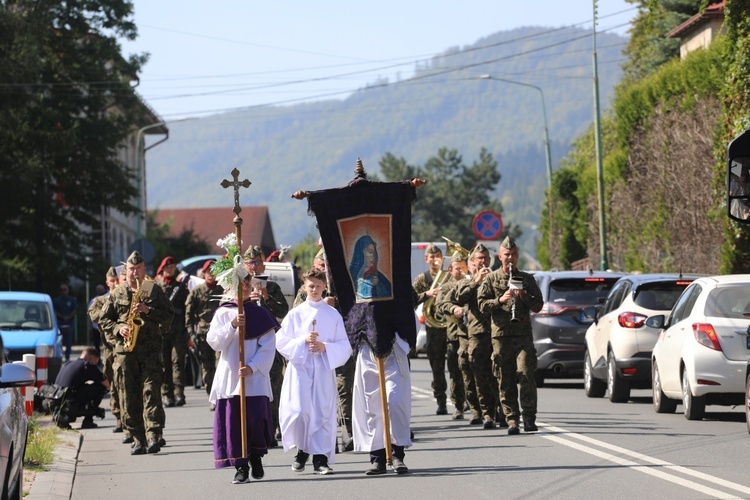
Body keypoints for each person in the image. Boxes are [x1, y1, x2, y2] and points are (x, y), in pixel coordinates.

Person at [277, 268, 352, 475]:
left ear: (324, 287)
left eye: (319, 286)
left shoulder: (332, 314)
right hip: (300, 368)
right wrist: (302, 341)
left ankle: (320, 459)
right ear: (304, 286)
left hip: (321, 367)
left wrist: (325, 347)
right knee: (300, 411)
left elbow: (344, 346)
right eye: (311, 285)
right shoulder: (295, 314)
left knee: (321, 413)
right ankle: (302, 450)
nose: (315, 289)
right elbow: (281, 341)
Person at [99, 251, 174, 455]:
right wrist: (118, 329)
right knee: (129, 395)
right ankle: (138, 438)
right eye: (131, 270)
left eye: (138, 269)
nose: (134, 273)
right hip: (125, 352)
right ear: (126, 271)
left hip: (150, 351)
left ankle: (153, 436)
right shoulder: (117, 294)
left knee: (151, 393)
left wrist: (148, 311)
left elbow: (169, 316)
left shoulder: (154, 290)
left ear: (144, 270)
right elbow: (104, 320)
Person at [208, 272, 279, 484]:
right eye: (240, 284)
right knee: (234, 424)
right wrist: (231, 326)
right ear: (231, 287)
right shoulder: (223, 313)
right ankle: (240, 466)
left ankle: (256, 457)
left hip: (254, 378)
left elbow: (268, 346)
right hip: (230, 377)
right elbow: (214, 342)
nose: (245, 287)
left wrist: (253, 366)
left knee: (256, 420)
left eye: (247, 284)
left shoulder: (260, 313)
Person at [477, 237, 543, 435]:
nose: (511, 258)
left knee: (525, 374)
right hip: (501, 336)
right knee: (504, 378)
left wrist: (523, 296)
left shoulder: (527, 278)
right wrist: (500, 299)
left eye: (514, 255)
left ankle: (529, 418)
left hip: (522, 335)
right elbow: (481, 305)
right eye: (507, 255)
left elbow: (538, 305)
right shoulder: (491, 279)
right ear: (500, 257)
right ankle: (512, 419)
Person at [444, 243, 502, 429]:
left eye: (486, 258)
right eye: (479, 259)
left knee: (499, 373)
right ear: (471, 264)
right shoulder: (464, 283)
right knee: (478, 375)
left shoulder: (496, 278)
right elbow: (459, 298)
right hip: (475, 333)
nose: (483, 262)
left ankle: (501, 410)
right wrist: (476, 281)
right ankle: (484, 413)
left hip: (497, 331)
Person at [352, 320, 413, 475]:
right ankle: (378, 457)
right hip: (368, 348)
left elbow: (407, 307)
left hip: (393, 347)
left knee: (395, 401)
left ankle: (396, 454)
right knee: (373, 405)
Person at [243, 245, 289, 446]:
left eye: (258, 262)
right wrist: (247, 300)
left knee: (273, 385)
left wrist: (266, 297)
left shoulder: (272, 287)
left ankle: (271, 429)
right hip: (248, 344)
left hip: (270, 343)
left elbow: (283, 311)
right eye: (251, 263)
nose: (254, 267)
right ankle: (252, 430)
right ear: (245, 265)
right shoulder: (241, 286)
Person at [435, 256, 475, 421]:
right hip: (454, 335)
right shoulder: (446, 287)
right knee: (456, 372)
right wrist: (454, 308)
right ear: (450, 270)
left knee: (472, 371)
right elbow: (439, 306)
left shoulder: (471, 283)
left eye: (463, 268)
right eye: (457, 268)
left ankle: (474, 405)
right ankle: (458, 405)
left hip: (471, 334)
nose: (461, 271)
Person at [412, 244, 449, 415]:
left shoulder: (449, 275)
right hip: (434, 328)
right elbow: (411, 299)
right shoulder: (422, 279)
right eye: (431, 256)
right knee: (437, 366)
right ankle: (441, 400)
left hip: (452, 326)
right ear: (426, 259)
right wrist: (427, 294)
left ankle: (460, 400)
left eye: (438, 256)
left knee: (459, 365)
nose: (435, 259)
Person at [88, 267, 123, 432]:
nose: (115, 283)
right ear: (107, 282)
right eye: (112, 281)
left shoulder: (126, 297)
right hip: (110, 348)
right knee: (113, 381)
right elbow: (94, 316)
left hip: (126, 347)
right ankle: (118, 416)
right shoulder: (102, 300)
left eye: (118, 280)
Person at [185, 259, 223, 408]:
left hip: (220, 334)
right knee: (207, 368)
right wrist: (191, 335)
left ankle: (219, 397)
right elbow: (189, 315)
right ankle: (211, 396)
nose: (211, 274)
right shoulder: (197, 291)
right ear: (204, 273)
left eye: (214, 271)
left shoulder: (222, 290)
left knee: (219, 365)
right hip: (203, 335)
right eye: (208, 271)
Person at [155, 256, 190, 408]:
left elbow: (187, 308)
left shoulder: (181, 287)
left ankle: (179, 393)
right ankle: (166, 394)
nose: (170, 270)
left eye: (172, 267)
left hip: (178, 331)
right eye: (167, 267)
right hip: (162, 331)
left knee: (178, 362)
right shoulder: (156, 287)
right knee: (164, 364)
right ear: (162, 269)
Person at [53, 346, 110, 429]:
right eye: (95, 362)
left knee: (85, 388)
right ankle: (88, 420)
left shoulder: (69, 364)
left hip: (58, 398)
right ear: (92, 358)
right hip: (70, 400)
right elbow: (108, 385)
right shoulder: (87, 366)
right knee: (100, 388)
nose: (95, 364)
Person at [349, 235, 392, 300]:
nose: (373, 256)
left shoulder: (381, 278)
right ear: (360, 253)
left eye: (374, 253)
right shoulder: (350, 276)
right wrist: (369, 284)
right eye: (370, 251)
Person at [53, 283, 77, 363]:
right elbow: (54, 311)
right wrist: (62, 317)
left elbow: (75, 310)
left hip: (70, 322)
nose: (63, 291)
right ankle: (59, 356)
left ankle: (67, 357)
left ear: (68, 290)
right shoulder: (56, 300)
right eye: (61, 290)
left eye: (65, 289)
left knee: (68, 341)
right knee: (59, 340)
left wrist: (68, 317)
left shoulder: (72, 300)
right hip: (59, 322)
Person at [87, 284, 106, 353]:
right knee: (96, 343)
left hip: (106, 326)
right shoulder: (94, 300)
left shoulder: (108, 297)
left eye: (101, 289)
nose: (100, 291)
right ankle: (97, 359)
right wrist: (89, 326)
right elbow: (90, 314)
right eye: (98, 290)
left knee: (106, 344)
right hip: (96, 326)